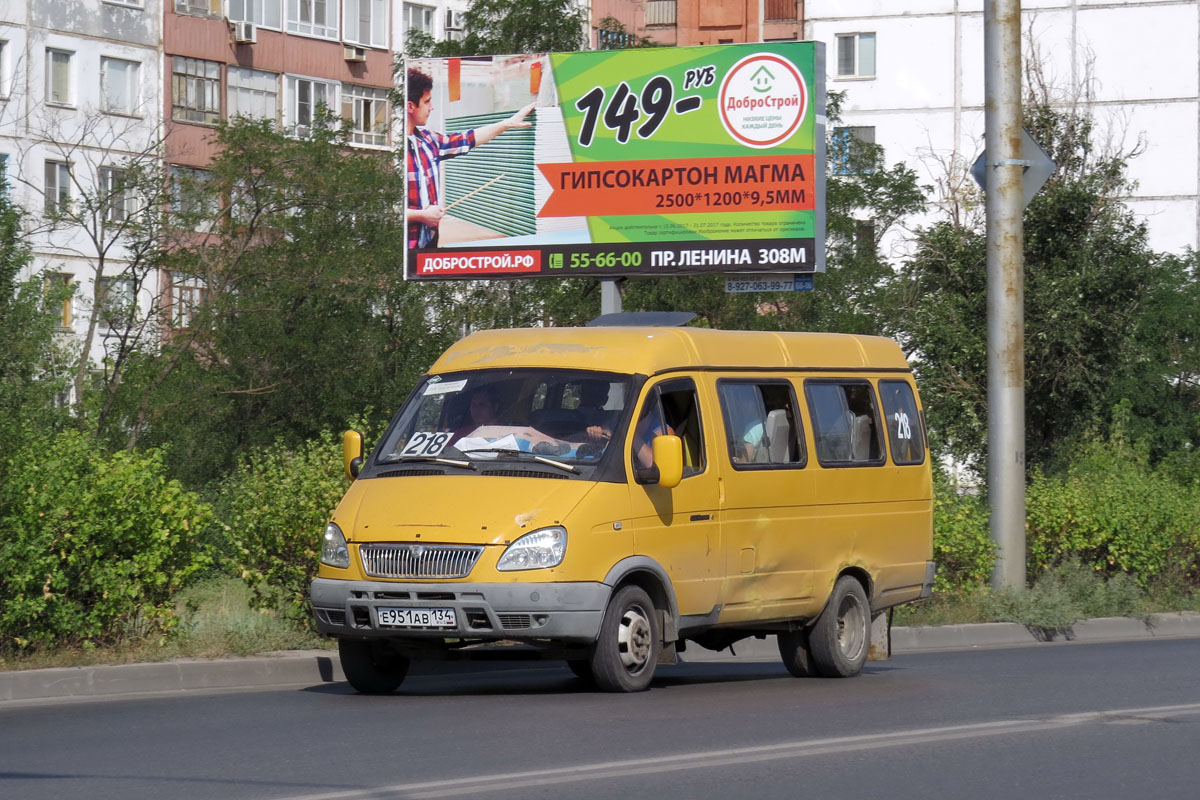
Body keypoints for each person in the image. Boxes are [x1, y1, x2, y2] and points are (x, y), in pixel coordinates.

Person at [406, 68, 535, 249]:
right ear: (410, 106)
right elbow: (384, 212)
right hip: (406, 249)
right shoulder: (397, 152)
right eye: (427, 101)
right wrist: (421, 215)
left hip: (429, 241)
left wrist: (507, 123)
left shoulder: (428, 141)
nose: (431, 107)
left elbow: (469, 138)